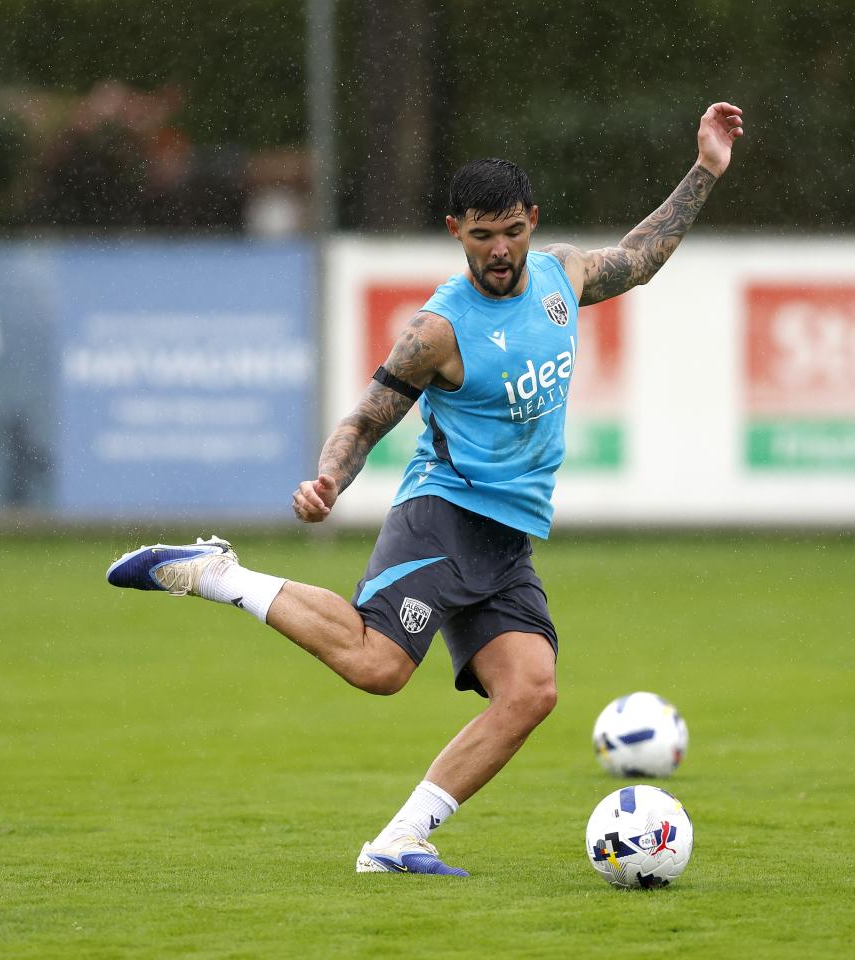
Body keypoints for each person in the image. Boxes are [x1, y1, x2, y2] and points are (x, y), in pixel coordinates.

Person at [107, 101, 744, 876]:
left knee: (531, 690)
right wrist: (329, 480)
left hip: (507, 536)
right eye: (482, 237)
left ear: (532, 221)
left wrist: (706, 168)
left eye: (512, 231)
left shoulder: (562, 275)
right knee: (380, 667)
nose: (500, 250)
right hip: (444, 513)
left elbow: (642, 255)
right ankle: (219, 574)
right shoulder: (437, 330)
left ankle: (398, 841)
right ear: (456, 232)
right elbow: (368, 416)